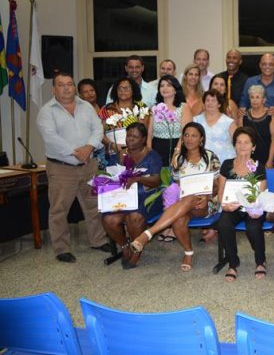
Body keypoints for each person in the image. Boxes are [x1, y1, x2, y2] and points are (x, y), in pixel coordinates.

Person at [37, 72, 110, 262]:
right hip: (62, 168)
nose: (67, 88)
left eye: (70, 84)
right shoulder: (47, 111)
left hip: (89, 165)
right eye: (61, 85)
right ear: (54, 88)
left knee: (94, 206)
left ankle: (99, 240)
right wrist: (77, 152)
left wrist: (88, 148)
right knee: (60, 209)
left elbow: (98, 129)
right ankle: (61, 248)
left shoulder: (86, 106)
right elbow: (51, 138)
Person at [130, 122, 221, 271]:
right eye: (186, 135)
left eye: (194, 136)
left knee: (192, 198)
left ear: (201, 139)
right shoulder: (178, 160)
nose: (189, 139)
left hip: (207, 203)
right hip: (184, 204)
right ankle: (188, 253)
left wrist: (208, 195)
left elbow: (218, 185)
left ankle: (148, 233)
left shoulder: (211, 157)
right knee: (179, 219)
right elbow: (178, 186)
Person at [102, 122, 162, 269]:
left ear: (143, 139)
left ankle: (136, 251)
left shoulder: (152, 156)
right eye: (129, 135)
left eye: (135, 137)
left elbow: (156, 181)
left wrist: (137, 178)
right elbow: (110, 175)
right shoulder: (119, 154)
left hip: (145, 199)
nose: (130, 139)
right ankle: (125, 247)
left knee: (133, 218)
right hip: (122, 199)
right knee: (108, 219)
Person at [217, 127, 268, 282]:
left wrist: (252, 207)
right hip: (232, 206)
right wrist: (224, 205)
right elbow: (221, 192)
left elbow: (261, 194)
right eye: (239, 142)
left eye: (246, 142)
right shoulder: (227, 165)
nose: (242, 146)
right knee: (224, 223)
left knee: (253, 226)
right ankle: (233, 263)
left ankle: (260, 261)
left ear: (253, 147)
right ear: (235, 145)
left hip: (254, 208)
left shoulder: (258, 167)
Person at [148, 75, 192, 167]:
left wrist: (177, 151)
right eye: (162, 85)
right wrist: (150, 152)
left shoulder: (184, 107)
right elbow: (149, 134)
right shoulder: (155, 108)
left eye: (168, 85)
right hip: (158, 148)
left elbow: (186, 132)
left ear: (175, 89)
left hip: (178, 146)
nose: (165, 88)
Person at [99, 77, 149, 155]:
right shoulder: (107, 109)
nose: (123, 91)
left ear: (133, 90)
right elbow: (99, 133)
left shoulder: (141, 107)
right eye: (120, 88)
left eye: (126, 88)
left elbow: (145, 131)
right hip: (113, 152)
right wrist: (112, 145)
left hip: (136, 152)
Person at [239, 85, 274, 168]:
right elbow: (239, 139)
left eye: (258, 97)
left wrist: (270, 160)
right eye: (252, 97)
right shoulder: (243, 116)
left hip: (266, 158)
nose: (254, 100)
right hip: (247, 158)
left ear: (264, 100)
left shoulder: (271, 116)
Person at [194, 90, 237, 165]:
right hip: (202, 163)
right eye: (207, 100)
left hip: (225, 163)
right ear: (204, 103)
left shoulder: (229, 122)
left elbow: (239, 141)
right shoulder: (196, 120)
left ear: (219, 104)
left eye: (213, 100)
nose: (210, 103)